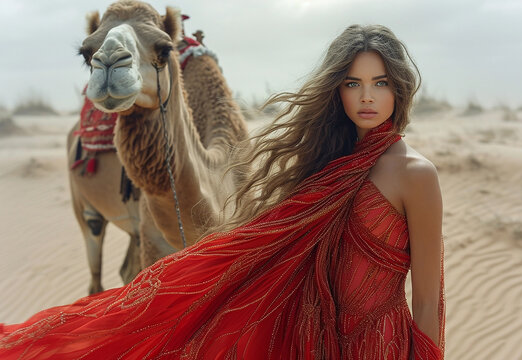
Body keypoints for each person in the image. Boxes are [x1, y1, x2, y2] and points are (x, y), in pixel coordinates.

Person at [0, 24, 445, 359]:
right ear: (338, 90)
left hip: (380, 344)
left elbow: (427, 298)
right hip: (312, 340)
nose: (367, 96)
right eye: (353, 83)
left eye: (380, 83)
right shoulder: (327, 162)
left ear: (398, 88)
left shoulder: (415, 175)